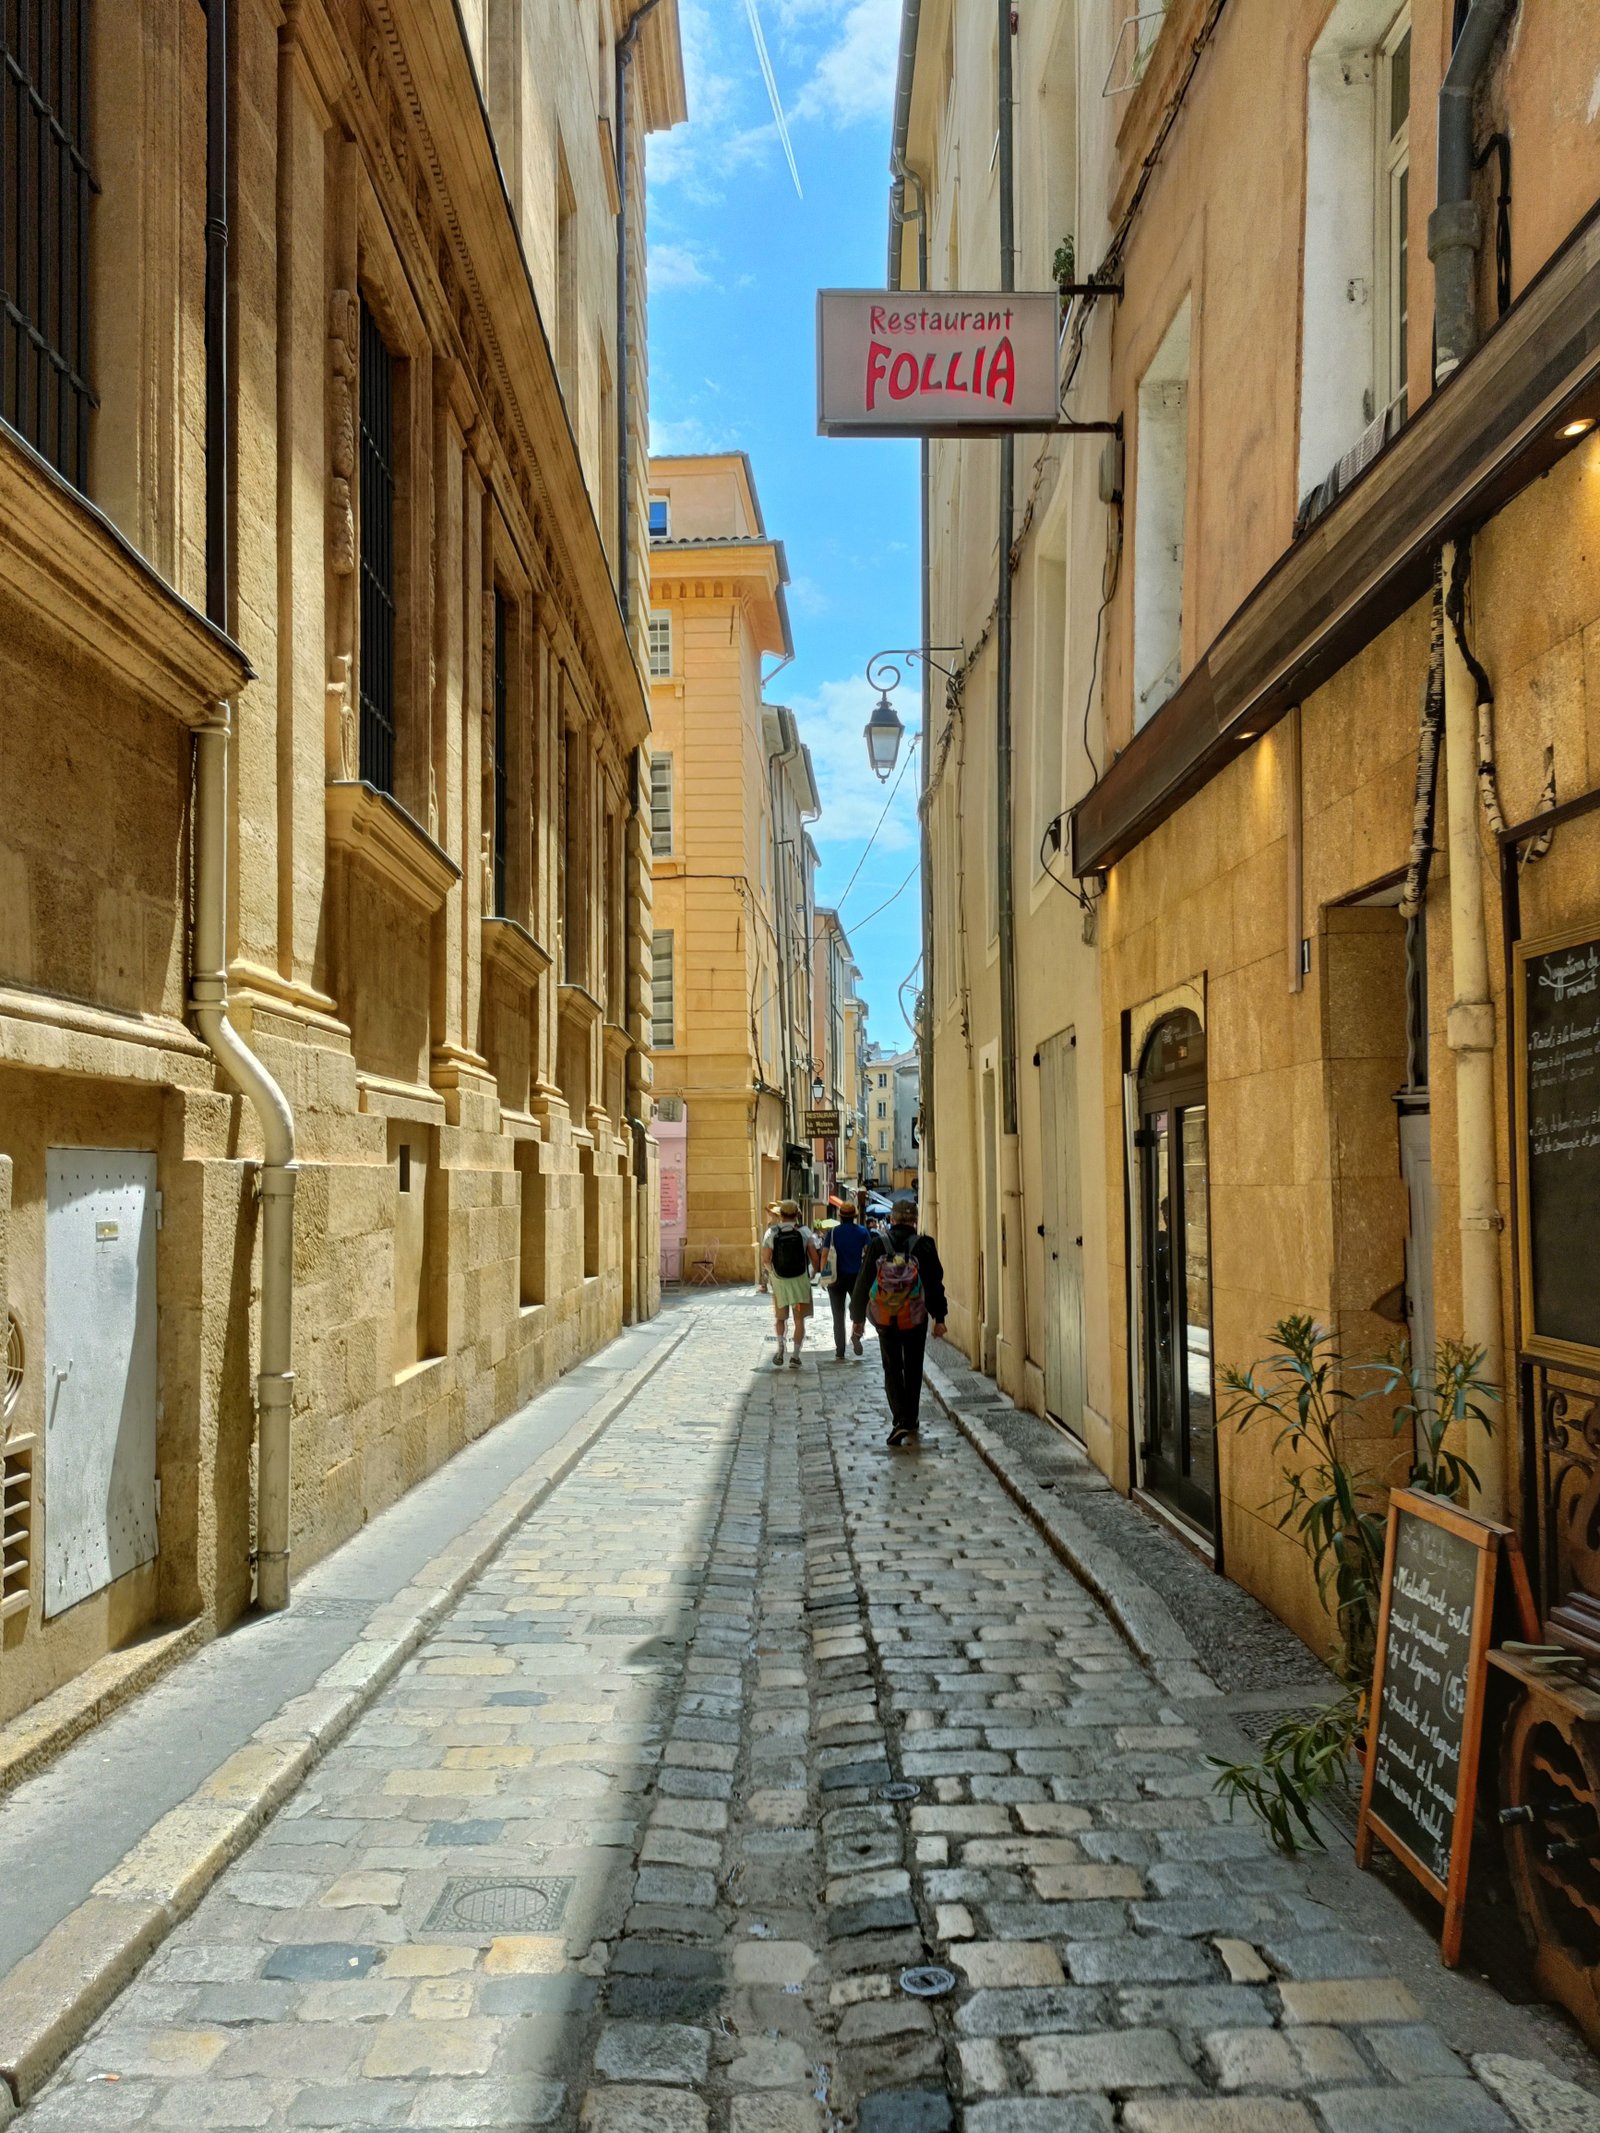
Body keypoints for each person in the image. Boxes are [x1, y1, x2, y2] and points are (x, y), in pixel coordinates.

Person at [851, 1198, 947, 1446]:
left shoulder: (877, 1245)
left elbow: (862, 1283)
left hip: (885, 1317)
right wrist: (940, 1317)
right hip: (914, 1317)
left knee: (892, 1367)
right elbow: (935, 1283)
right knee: (914, 1367)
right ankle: (911, 1418)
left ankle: (900, 1418)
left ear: (892, 1220)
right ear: (914, 1220)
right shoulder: (924, 1245)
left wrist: (858, 1318)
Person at [760, 1199, 820, 1369]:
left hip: (780, 1282)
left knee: (780, 1318)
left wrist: (772, 1275)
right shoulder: (805, 1232)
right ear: (796, 1214)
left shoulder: (771, 1233)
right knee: (799, 1320)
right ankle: (795, 1356)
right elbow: (814, 1258)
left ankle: (780, 1349)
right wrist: (812, 1273)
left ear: (781, 1215)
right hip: (800, 1281)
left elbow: (765, 1259)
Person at [826, 1202, 872, 1360]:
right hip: (857, 1278)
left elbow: (825, 1254)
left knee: (837, 1315)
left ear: (840, 1216)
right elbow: (869, 1253)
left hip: (836, 1278)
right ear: (854, 1216)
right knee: (860, 1310)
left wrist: (823, 1276)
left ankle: (840, 1351)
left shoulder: (832, 1233)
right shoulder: (862, 1232)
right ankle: (856, 1335)